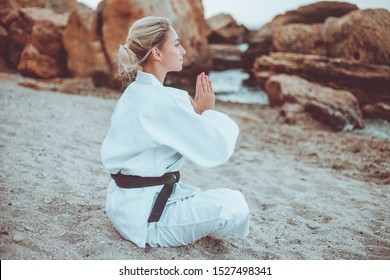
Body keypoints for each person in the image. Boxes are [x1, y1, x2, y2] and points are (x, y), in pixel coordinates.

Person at [100, 16, 250, 248]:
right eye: (177, 44)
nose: (184, 50)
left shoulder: (134, 92)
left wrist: (196, 115)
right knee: (235, 204)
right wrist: (207, 113)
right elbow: (216, 150)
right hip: (147, 220)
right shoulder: (163, 100)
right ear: (157, 53)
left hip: (121, 205)